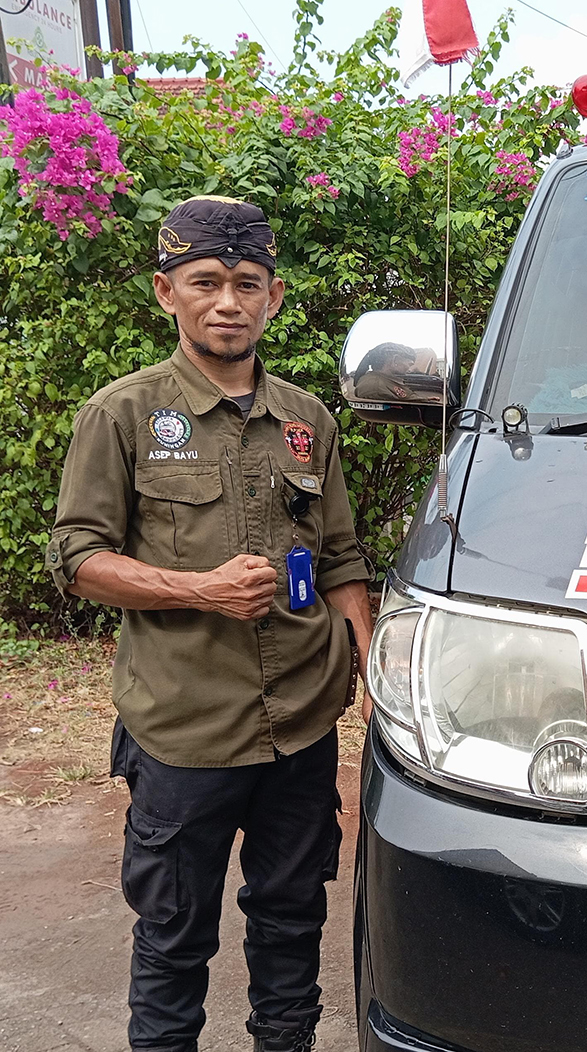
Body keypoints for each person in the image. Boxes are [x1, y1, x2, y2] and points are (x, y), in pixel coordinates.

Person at [46, 196, 375, 1052]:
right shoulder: (122, 415)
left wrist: (372, 669)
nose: (227, 301)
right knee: (172, 936)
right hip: (184, 731)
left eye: (246, 283)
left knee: (292, 922)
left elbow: (340, 556)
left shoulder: (308, 422)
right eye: (205, 282)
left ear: (273, 295)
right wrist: (200, 590)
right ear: (167, 292)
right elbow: (78, 558)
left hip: (301, 730)